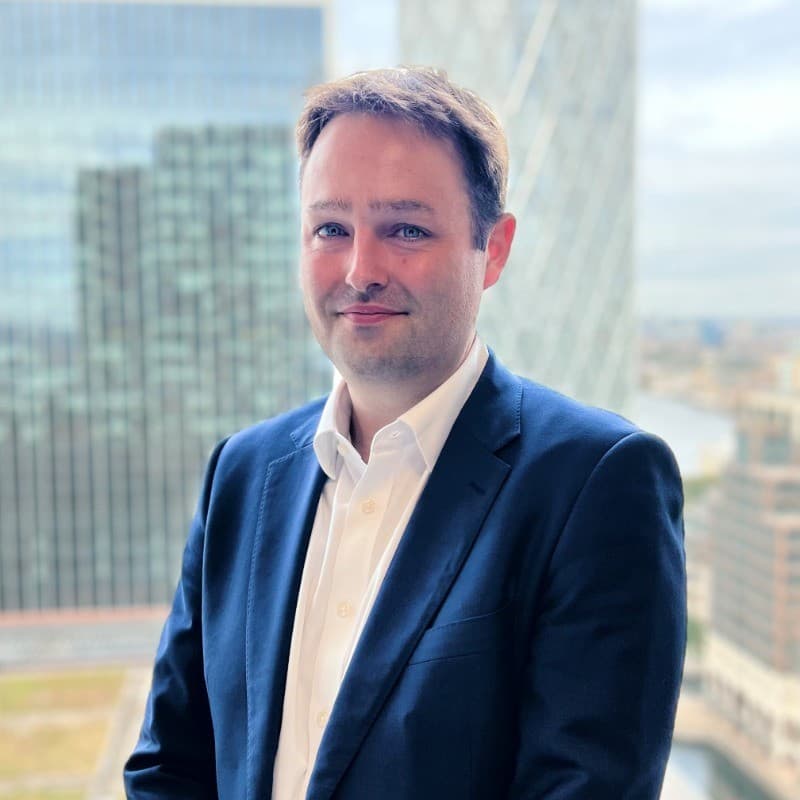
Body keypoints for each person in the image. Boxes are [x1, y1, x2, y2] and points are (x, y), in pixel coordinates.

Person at [124, 67, 686, 800]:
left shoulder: (599, 483)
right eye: (331, 229)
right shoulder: (241, 472)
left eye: (406, 229)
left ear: (494, 250)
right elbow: (169, 768)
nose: (361, 270)